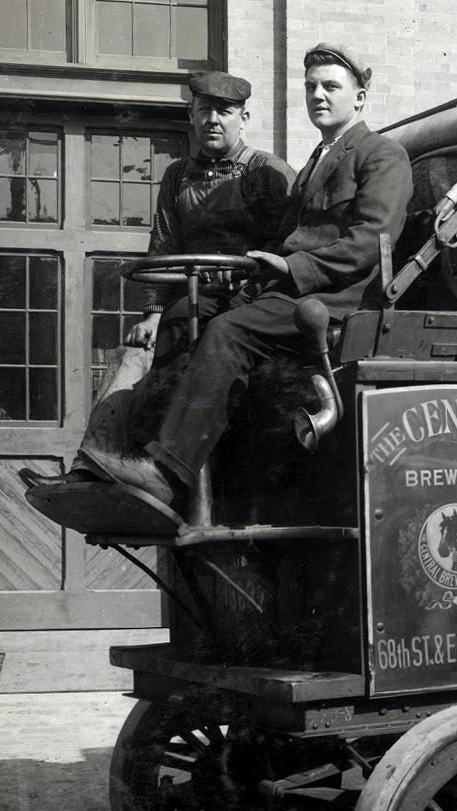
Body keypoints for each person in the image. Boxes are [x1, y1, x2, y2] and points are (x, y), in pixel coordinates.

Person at [76, 43, 413, 516]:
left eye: (331, 86)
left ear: (359, 98)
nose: (318, 95)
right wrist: (253, 272)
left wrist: (291, 269)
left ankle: (168, 473)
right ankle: (136, 463)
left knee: (228, 330)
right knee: (183, 318)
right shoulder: (316, 161)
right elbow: (284, 239)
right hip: (292, 292)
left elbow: (370, 243)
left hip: (337, 299)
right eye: (312, 86)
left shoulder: (381, 155)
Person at [21, 71, 295, 488]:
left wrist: (250, 279)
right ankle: (91, 468)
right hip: (189, 297)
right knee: (136, 349)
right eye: (205, 111)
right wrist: (149, 314)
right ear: (191, 115)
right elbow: (164, 247)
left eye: (225, 112)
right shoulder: (177, 176)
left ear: (245, 116)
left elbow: (288, 245)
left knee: (181, 323)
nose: (214, 120)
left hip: (247, 303)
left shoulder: (266, 173)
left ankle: (160, 474)